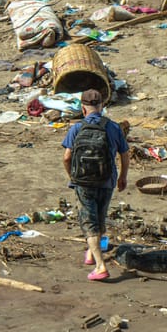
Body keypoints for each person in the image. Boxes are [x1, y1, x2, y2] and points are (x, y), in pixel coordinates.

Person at [61, 88, 130, 281]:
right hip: (106, 181)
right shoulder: (114, 127)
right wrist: (123, 177)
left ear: (83, 109)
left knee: (88, 223)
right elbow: (125, 154)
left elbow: (66, 157)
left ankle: (100, 267)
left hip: (83, 182)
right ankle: (92, 254)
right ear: (102, 106)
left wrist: (73, 177)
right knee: (99, 218)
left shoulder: (77, 128)